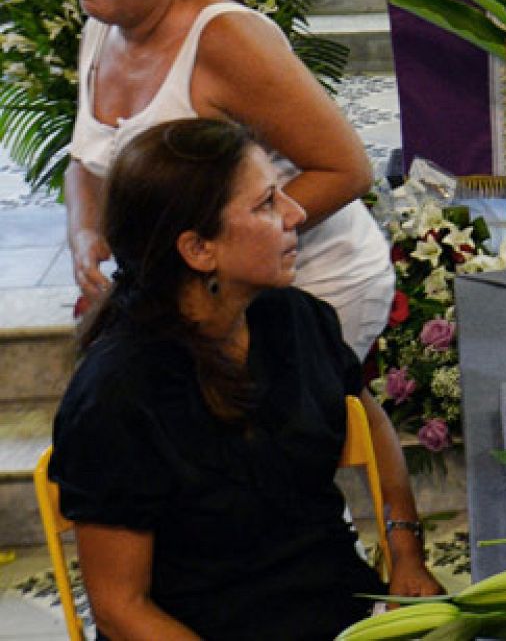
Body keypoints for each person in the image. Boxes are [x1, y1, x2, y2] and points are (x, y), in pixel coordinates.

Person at [50, 119, 443, 640]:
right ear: (198, 250)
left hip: (336, 615)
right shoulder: (116, 395)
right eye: (266, 204)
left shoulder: (294, 319)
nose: (296, 213)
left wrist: (406, 549)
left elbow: (369, 423)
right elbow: (121, 608)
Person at [61, 0, 393, 359]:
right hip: (197, 292)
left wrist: (227, 255)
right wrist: (85, 232)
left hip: (307, 288)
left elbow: (346, 170)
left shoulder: (225, 40)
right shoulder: (102, 29)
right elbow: (89, 155)